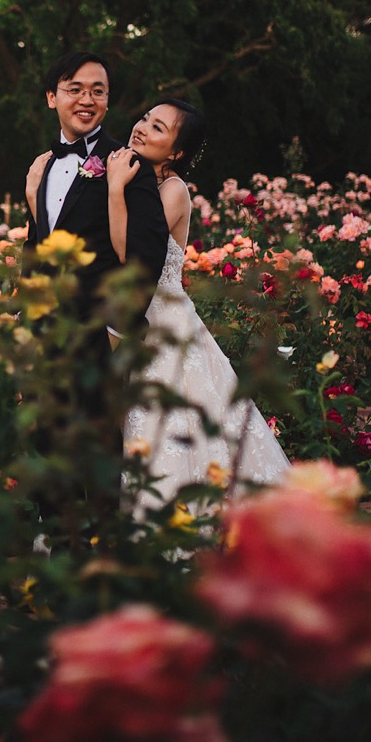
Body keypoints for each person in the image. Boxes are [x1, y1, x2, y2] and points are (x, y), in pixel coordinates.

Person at [105, 99, 289, 515]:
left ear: (176, 153)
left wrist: (115, 188)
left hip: (161, 321)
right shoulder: (131, 173)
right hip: (121, 314)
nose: (142, 128)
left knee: (165, 427)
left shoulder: (172, 190)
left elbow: (129, 255)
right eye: (145, 119)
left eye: (158, 128)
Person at [23, 51, 168, 332]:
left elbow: (146, 256)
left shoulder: (128, 163)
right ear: (52, 98)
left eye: (97, 91)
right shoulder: (42, 166)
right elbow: (36, 246)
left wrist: (116, 332)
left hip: (99, 337)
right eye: (75, 90)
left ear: (107, 99)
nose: (87, 100)